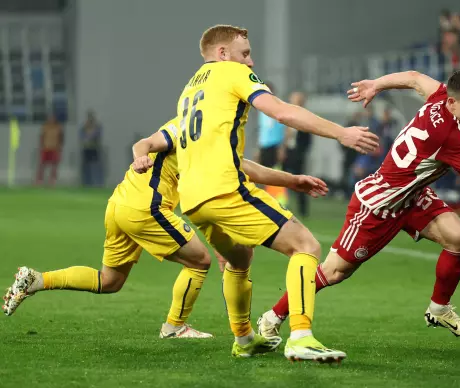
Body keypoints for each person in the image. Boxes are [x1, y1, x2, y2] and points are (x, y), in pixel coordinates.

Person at [257, 70, 460, 341]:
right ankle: (273, 316)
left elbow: (414, 78)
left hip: (412, 196)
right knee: (334, 272)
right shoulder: (452, 135)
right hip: (379, 205)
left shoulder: (441, 95)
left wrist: (376, 85)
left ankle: (439, 309)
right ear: (452, 102)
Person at [3, 119, 328, 339]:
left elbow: (243, 167)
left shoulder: (210, 136)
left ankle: (37, 280)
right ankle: (175, 326)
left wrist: (292, 180)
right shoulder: (187, 127)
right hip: (147, 206)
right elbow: (144, 143)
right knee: (199, 260)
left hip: (120, 204)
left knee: (110, 281)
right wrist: (140, 156)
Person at [174, 25, 378, 362]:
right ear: (223, 54)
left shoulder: (190, 90)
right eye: (245, 53)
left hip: (194, 198)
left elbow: (234, 158)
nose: (250, 62)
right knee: (306, 245)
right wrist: (341, 133)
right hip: (225, 189)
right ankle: (301, 335)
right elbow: (282, 111)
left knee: (239, 258)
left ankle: (243, 339)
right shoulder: (231, 73)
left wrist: (291, 180)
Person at [283, 92, 312, 218]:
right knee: (282, 179)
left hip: (298, 153)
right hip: (287, 151)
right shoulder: (286, 114)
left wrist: (302, 152)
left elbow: (308, 137)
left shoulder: (306, 117)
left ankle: (303, 210)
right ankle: (282, 206)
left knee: (301, 181)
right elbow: (284, 134)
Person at [36, 114, 63, 186]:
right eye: (49, 118)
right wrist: (41, 146)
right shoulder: (45, 127)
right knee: (42, 164)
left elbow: (61, 138)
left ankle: (52, 180)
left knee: (54, 165)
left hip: (55, 148)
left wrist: (59, 148)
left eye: (52, 118)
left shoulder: (58, 127)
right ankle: (39, 180)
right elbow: (42, 137)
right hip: (46, 148)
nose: (51, 120)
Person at [80, 110, 104, 187]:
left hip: (94, 148)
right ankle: (86, 182)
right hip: (87, 148)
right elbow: (82, 137)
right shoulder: (84, 127)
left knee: (95, 166)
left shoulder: (96, 127)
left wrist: (90, 136)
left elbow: (97, 136)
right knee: (86, 166)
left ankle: (97, 183)